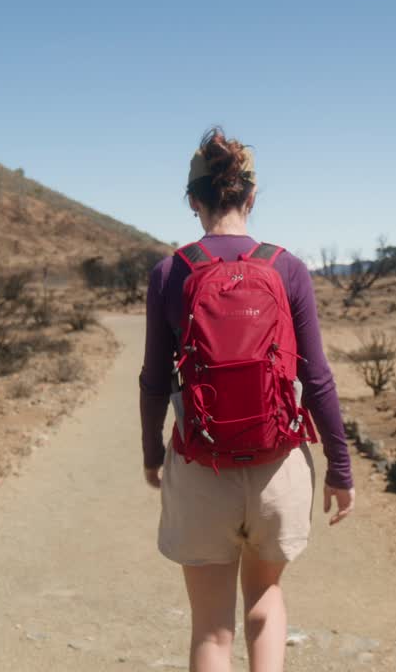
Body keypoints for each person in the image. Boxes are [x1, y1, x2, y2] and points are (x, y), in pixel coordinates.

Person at [139, 127, 355, 671]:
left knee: (211, 628)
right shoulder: (287, 268)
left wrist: (150, 453)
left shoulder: (170, 273)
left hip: (199, 463)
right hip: (276, 466)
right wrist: (340, 465)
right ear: (250, 196)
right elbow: (319, 378)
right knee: (265, 602)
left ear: (194, 201)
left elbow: (153, 380)